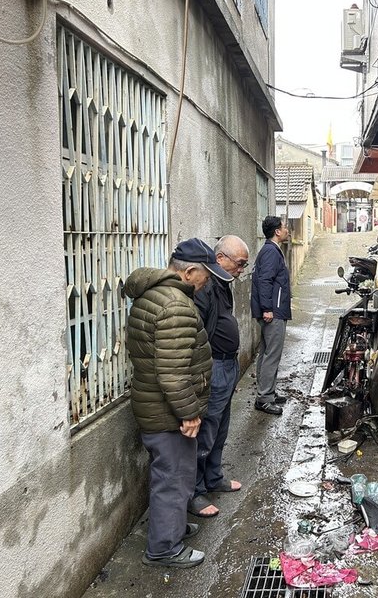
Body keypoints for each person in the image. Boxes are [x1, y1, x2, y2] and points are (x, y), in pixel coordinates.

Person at [124, 238, 231, 568]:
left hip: (153, 405)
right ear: (190, 271)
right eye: (206, 275)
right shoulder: (176, 307)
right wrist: (188, 413)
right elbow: (172, 372)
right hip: (168, 413)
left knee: (172, 475)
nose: (207, 282)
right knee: (173, 479)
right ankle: (163, 549)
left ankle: (172, 528)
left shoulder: (153, 295)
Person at [189, 235, 250, 518]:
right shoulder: (204, 287)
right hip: (213, 368)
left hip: (227, 366)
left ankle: (214, 477)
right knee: (205, 431)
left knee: (221, 427)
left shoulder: (223, 284)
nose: (241, 270)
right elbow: (196, 333)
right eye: (239, 264)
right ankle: (196, 491)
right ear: (221, 258)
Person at [250, 216, 291, 415]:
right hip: (272, 312)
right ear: (277, 231)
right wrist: (267, 308)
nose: (287, 230)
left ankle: (268, 393)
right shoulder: (270, 252)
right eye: (284, 227)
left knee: (266, 353)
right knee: (271, 355)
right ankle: (264, 398)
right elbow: (264, 281)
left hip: (273, 310)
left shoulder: (272, 250)